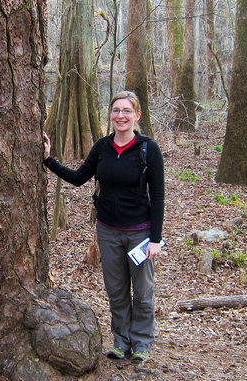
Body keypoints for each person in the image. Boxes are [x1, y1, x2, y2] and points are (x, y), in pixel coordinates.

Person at [43, 91, 165, 362]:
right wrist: (49, 160)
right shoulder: (102, 147)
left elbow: (157, 196)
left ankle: (142, 344)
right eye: (116, 110)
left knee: (143, 292)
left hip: (140, 233)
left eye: (126, 111)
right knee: (117, 291)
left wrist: (155, 239)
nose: (120, 116)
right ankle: (121, 343)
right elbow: (78, 178)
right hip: (108, 232)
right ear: (110, 114)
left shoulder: (148, 149)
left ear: (137, 115)